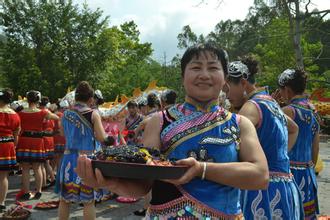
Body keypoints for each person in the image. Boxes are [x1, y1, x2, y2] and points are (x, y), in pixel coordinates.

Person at [76, 43, 269, 219]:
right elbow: (143, 184)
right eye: (195, 67)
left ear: (225, 78)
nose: (204, 74)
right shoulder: (159, 121)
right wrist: (109, 183)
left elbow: (260, 175)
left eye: (212, 68)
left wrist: (201, 169)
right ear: (183, 76)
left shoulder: (239, 123)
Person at [226, 58, 303, 219]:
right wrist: (278, 157)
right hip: (285, 185)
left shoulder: (251, 107)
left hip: (262, 190)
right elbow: (294, 129)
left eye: (228, 89)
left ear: (243, 83)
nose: (227, 96)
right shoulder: (271, 102)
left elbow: (229, 145)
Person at [56, 81, 114, 220]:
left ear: (75, 97)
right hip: (86, 160)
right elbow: (101, 137)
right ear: (90, 98)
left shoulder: (65, 114)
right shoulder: (93, 114)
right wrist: (109, 139)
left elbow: (63, 134)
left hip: (68, 159)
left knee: (64, 200)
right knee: (88, 201)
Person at [278, 69, 320, 219]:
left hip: (289, 172)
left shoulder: (287, 111)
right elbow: (315, 147)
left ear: (287, 90)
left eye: (281, 91)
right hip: (308, 173)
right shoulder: (314, 111)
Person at [16, 90, 59, 200]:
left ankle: (26, 192)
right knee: (37, 167)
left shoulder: (21, 113)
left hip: (24, 139)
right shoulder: (42, 112)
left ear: (27, 99)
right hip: (37, 140)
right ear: (38, 100)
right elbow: (57, 117)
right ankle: (38, 191)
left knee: (25, 168)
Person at [0, 88, 20, 212]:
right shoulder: (15, 114)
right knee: (3, 176)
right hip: (8, 145)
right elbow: (16, 133)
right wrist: (14, 146)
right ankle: (1, 202)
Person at [39, 96, 56, 189]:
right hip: (50, 138)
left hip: (44, 138)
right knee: (46, 161)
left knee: (44, 161)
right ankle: (46, 179)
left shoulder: (41, 113)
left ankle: (52, 179)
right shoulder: (50, 113)